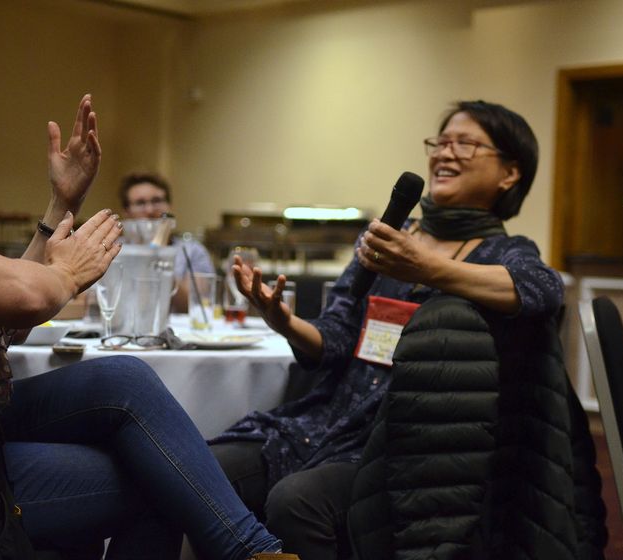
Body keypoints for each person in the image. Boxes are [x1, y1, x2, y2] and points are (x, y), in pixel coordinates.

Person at [0, 2, 297, 559]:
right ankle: (254, 552)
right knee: (163, 479)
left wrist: (61, 204)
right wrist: (66, 272)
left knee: (124, 380)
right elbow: (22, 295)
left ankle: (254, 551)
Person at [210, 101, 571, 558]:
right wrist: (283, 320)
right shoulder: (393, 236)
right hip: (328, 422)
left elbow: (542, 289)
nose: (445, 153)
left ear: (510, 173)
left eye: (465, 144)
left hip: (405, 444)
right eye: (440, 142)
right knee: (204, 470)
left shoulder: (505, 251)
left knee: (295, 502)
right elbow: (337, 336)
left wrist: (428, 267)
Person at [120, 172, 214, 312]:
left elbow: (198, 306)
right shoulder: (113, 250)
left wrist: (159, 258)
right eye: (140, 203)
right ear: (126, 211)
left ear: (169, 206)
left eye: (156, 201)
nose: (150, 210)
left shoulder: (193, 251)